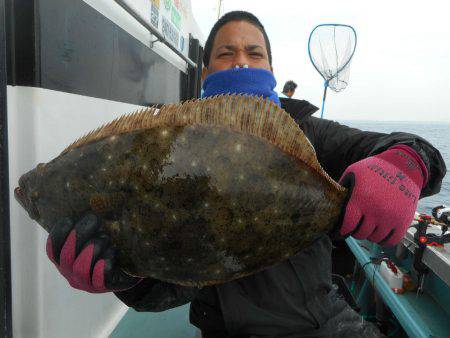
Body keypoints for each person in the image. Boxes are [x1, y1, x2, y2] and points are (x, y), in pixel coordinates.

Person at [44, 11, 446, 338]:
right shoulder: (175, 149)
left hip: (322, 326)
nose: (241, 61)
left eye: (254, 53)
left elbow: (410, 147)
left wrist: (405, 164)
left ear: (271, 67)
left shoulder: (308, 133)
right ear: (204, 72)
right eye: (226, 53)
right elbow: (170, 286)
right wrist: (127, 278)